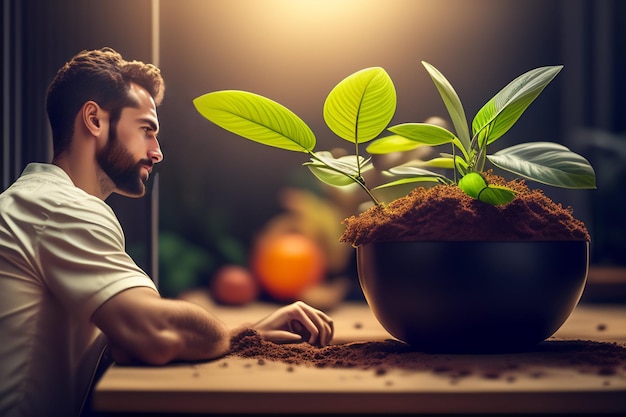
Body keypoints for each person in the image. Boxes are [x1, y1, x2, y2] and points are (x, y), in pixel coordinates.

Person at [0, 47, 334, 417]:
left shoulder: (39, 202)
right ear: (94, 119)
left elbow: (125, 343)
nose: (157, 152)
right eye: (146, 130)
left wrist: (245, 333)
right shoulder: (60, 207)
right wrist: (227, 335)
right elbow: (153, 335)